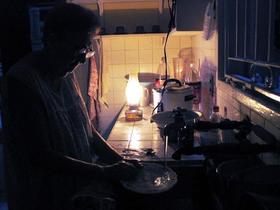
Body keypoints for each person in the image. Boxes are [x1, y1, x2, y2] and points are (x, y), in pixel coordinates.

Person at [2, 3, 139, 210]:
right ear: (51, 40)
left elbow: (86, 129)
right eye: (77, 48)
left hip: (76, 191)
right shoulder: (22, 83)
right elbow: (40, 156)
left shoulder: (65, 72)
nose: (83, 60)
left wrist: (120, 161)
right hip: (42, 197)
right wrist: (105, 171)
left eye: (86, 49)